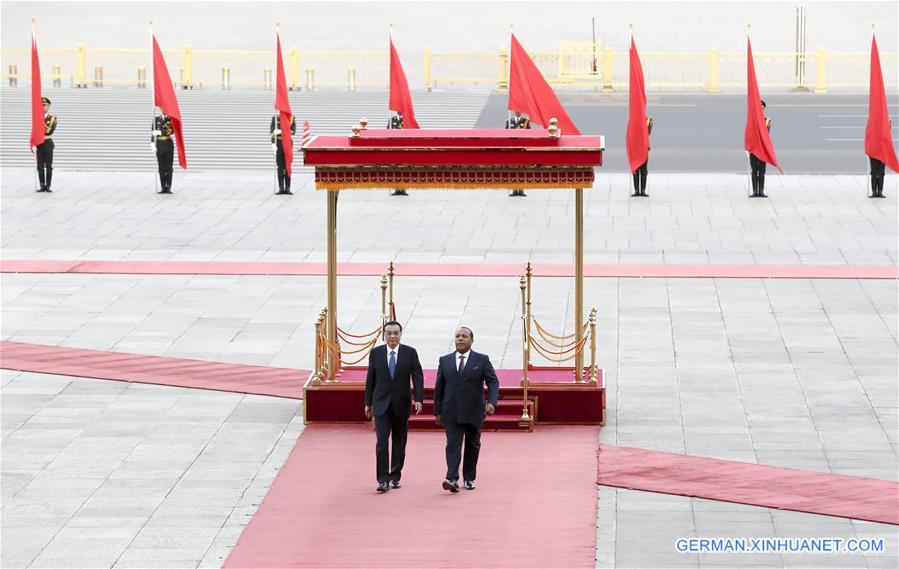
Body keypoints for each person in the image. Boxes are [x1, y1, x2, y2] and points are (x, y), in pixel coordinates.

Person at [433, 326, 499, 493]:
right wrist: (437, 411)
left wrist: (492, 402)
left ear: (471, 340)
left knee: (472, 444)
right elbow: (438, 388)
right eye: (457, 336)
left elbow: (493, 382)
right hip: (451, 411)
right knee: (453, 444)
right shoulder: (445, 360)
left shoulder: (482, 360)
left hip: (474, 411)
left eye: (464, 336)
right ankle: (451, 478)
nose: (460, 339)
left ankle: (469, 478)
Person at [364, 320, 424, 493]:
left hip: (401, 403)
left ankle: (395, 475)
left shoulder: (410, 353)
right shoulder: (376, 353)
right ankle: (382, 479)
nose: (392, 336)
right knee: (382, 442)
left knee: (399, 441)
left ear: (400, 334)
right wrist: (367, 402)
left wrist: (418, 398)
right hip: (381, 404)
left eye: (395, 333)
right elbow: (371, 379)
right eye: (389, 333)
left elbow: (417, 376)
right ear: (384, 335)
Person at [749, 100, 772, 198]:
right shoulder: (752, 120)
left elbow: (766, 133)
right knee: (754, 170)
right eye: (759, 107)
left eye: (762, 107)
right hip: (754, 149)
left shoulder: (767, 120)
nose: (761, 108)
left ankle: (761, 191)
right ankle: (755, 191)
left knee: (762, 170)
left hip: (762, 149)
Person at [34, 97, 56, 193]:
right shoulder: (36, 118)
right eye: (41, 106)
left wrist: (40, 121)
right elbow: (34, 131)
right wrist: (33, 142)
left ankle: (48, 185)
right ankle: (42, 185)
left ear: (48, 106)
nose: (43, 107)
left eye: (45, 105)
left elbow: (48, 131)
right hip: (39, 143)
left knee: (48, 166)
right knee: (40, 166)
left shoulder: (52, 119)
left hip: (47, 143)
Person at [270, 113, 297, 195]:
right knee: (280, 166)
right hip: (278, 143)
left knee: (288, 166)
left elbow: (293, 131)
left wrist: (281, 131)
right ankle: (281, 187)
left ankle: (288, 187)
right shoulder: (275, 118)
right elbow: (271, 132)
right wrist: (273, 144)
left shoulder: (291, 117)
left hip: (287, 142)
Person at [506, 111, 530, 197]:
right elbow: (505, 135)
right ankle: (514, 190)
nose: (518, 113)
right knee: (513, 170)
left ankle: (521, 190)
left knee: (521, 170)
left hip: (522, 149)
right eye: (516, 111)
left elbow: (529, 134)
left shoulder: (525, 121)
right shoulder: (509, 122)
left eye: (519, 111)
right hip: (512, 149)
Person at [152, 113, 175, 194]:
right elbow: (152, 132)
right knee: (161, 167)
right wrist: (152, 143)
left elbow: (172, 131)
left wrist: (160, 132)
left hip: (168, 143)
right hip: (160, 144)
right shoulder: (156, 119)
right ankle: (163, 187)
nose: (163, 110)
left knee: (169, 166)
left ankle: (168, 186)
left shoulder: (170, 119)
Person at [387, 111, 408, 196]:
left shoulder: (407, 120)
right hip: (395, 148)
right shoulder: (392, 120)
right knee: (395, 168)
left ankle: (403, 189)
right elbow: (387, 132)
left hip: (404, 148)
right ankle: (396, 188)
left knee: (404, 169)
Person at [868, 120, 891, 198]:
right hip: (874, 152)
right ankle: (874, 191)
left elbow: (887, 131)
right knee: (874, 173)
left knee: (881, 173)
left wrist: (888, 123)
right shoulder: (872, 127)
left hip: (882, 153)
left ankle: (880, 191)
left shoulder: (883, 128)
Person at [632, 116, 653, 197]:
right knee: (635, 170)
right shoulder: (633, 120)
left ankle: (643, 190)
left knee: (644, 171)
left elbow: (648, 133)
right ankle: (637, 190)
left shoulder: (647, 120)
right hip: (635, 149)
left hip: (644, 149)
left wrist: (650, 125)